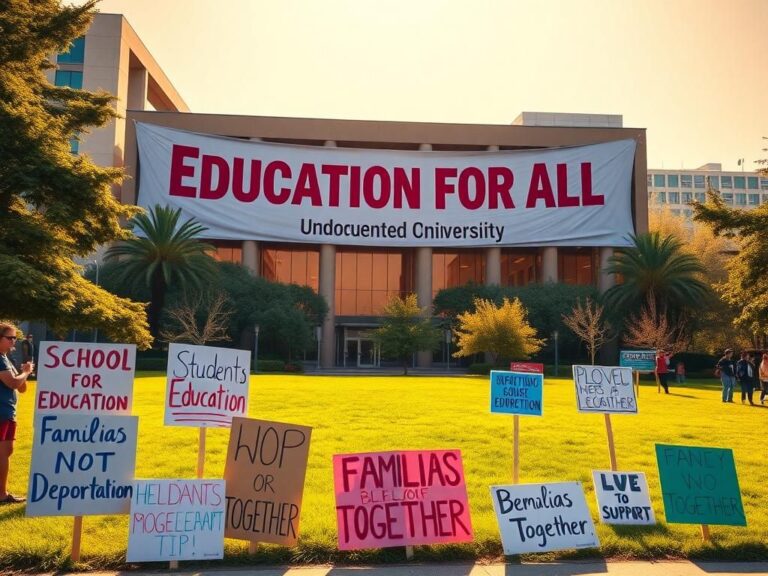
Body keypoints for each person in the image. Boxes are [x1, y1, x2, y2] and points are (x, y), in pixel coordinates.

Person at [0, 322, 33, 504]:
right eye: (10, 338)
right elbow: (13, 383)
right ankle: (2, 494)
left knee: (6, 451)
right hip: (2, 412)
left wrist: (23, 373)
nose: (14, 341)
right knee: (3, 453)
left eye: (15, 338)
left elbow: (22, 388)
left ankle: (2, 492)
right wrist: (26, 373)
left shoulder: (5, 358)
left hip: (7, 411)